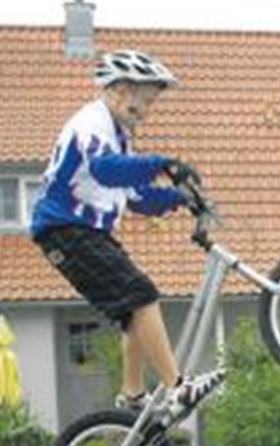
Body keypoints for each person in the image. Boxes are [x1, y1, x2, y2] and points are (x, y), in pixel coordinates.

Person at [30, 49, 223, 416]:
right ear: (119, 90)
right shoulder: (91, 122)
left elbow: (137, 198)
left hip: (86, 232)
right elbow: (106, 171)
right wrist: (163, 163)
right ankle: (177, 388)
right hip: (64, 229)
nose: (145, 112)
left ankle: (132, 395)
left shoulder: (118, 136)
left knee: (134, 311)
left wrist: (181, 198)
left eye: (150, 104)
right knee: (142, 295)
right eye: (142, 102)